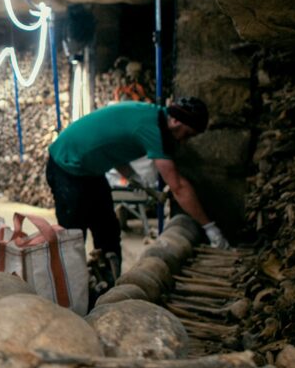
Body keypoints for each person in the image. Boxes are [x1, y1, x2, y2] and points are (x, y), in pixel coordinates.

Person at [45, 97, 230, 282]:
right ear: (175, 121)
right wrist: (210, 227)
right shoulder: (154, 130)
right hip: (66, 166)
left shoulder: (153, 115)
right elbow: (179, 187)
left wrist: (135, 179)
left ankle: (108, 282)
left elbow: (114, 148)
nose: (183, 141)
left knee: (107, 229)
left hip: (89, 169)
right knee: (73, 236)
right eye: (187, 134)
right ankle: (70, 292)